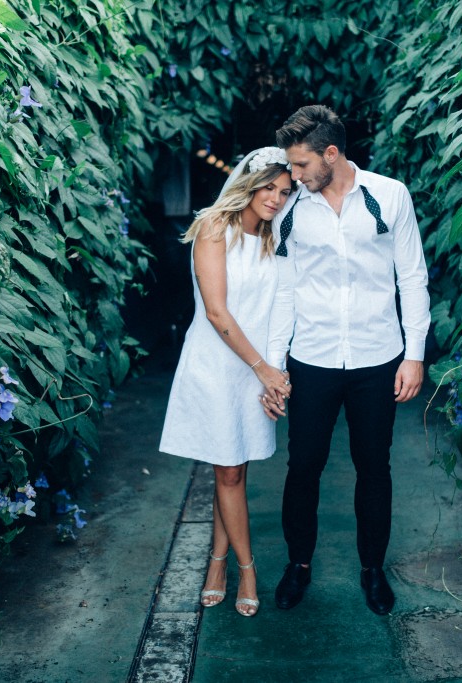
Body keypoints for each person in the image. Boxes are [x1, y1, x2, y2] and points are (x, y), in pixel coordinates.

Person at [263, 105, 430, 615]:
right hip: (311, 357)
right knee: (303, 467)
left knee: (374, 467)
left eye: (301, 164)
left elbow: (412, 277)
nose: (293, 176)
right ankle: (298, 565)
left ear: (331, 154)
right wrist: (274, 365)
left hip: (377, 357)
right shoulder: (292, 208)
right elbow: (285, 289)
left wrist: (414, 355)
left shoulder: (390, 195)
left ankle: (372, 570)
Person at [159, 147, 294, 617]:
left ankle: (216, 562)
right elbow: (217, 312)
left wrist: (275, 373)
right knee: (229, 470)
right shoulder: (215, 227)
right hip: (218, 367)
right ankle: (246, 569)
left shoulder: (274, 238)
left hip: (256, 371)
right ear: (248, 184)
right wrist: (263, 369)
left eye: (285, 191)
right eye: (269, 187)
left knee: (234, 467)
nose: (276, 198)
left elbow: (280, 310)